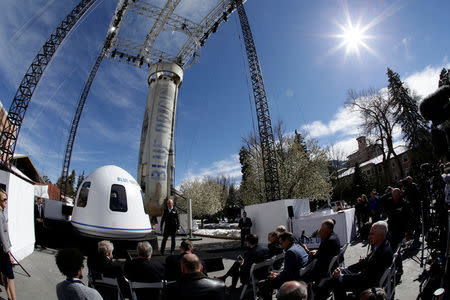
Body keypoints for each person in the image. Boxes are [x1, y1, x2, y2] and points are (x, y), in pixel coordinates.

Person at [317, 221, 393, 300]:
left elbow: (366, 278)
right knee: (333, 278)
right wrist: (345, 269)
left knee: (336, 281)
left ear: (381, 236)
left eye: (372, 234)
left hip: (367, 285)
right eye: (370, 233)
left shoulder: (382, 253)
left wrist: (341, 277)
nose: (369, 236)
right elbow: (365, 264)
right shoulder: (380, 245)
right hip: (365, 278)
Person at [0, 189, 16, 300]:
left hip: (3, 248)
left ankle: (10, 298)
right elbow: (1, 234)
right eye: (4, 199)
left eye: (7, 199)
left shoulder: (2, 212)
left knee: (5, 275)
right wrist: (7, 251)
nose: (6, 201)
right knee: (10, 276)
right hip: (2, 250)